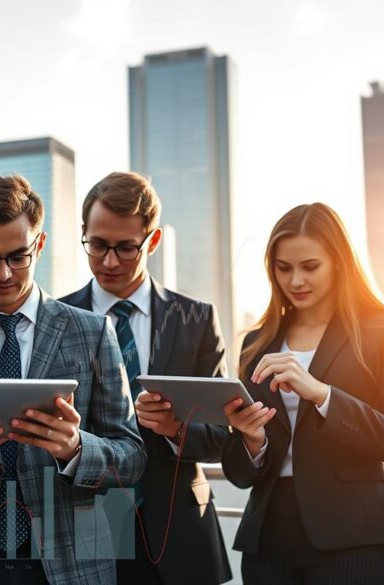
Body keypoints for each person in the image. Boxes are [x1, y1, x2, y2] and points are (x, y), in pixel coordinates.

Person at [0, 174, 146, 585]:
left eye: (18, 256)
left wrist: (77, 449)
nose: (3, 273)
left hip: (71, 566)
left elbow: (132, 456)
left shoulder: (92, 333)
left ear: (39, 245)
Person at [222, 202, 384, 584]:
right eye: (283, 268)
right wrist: (251, 440)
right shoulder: (257, 342)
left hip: (354, 536)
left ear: (339, 262)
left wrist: (323, 395)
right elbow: (239, 474)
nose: (295, 280)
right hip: (267, 540)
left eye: (310, 266)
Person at [59, 171, 232, 584]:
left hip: (182, 535)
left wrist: (177, 429)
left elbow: (226, 433)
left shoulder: (196, 319)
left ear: (152, 241)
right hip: (89, 529)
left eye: (126, 248)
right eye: (98, 245)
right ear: (83, 233)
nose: (110, 261)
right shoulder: (57, 321)